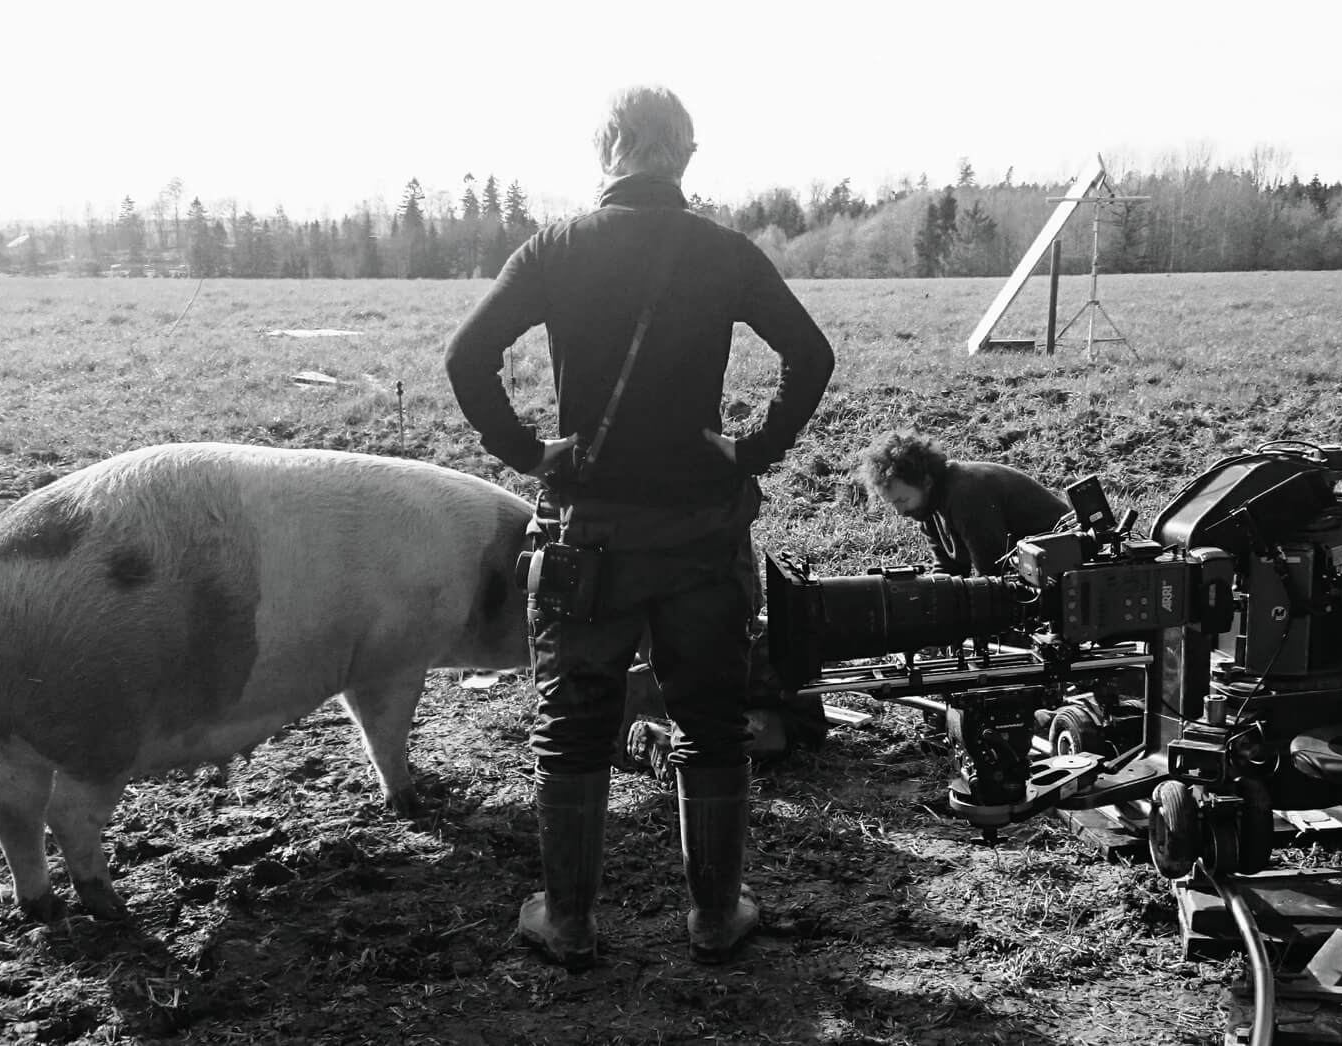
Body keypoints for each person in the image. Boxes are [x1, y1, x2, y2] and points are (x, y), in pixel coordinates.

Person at [445, 85, 834, 971]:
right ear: (686, 155)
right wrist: (753, 448)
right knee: (711, 723)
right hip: (702, 533)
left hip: (588, 538)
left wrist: (532, 452)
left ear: (607, 150)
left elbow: (466, 357)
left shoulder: (553, 250)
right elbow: (811, 356)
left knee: (573, 727)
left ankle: (571, 924)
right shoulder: (725, 252)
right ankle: (714, 917)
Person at [858, 431, 1070, 577]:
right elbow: (949, 568)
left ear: (926, 481)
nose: (900, 512)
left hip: (1064, 564)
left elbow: (992, 575)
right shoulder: (927, 508)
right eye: (892, 503)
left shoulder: (966, 496)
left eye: (902, 500)